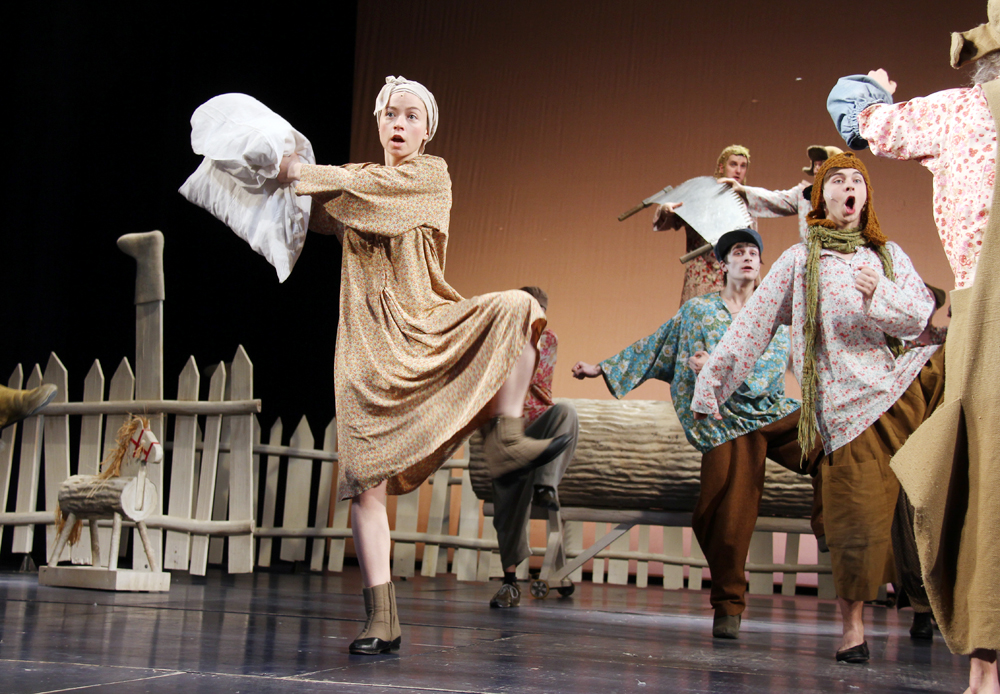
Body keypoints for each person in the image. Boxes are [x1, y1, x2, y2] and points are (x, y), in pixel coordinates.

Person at [277, 76, 570, 655]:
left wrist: (302, 172)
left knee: (521, 307)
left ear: (427, 130)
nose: (399, 123)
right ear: (379, 123)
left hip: (424, 325)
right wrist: (272, 173)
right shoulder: (354, 183)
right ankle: (381, 617)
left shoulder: (428, 175)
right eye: (391, 114)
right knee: (366, 484)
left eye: (412, 116)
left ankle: (508, 436)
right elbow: (316, 216)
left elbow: (360, 189)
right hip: (366, 345)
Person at [692, 153, 942, 663]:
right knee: (854, 518)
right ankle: (853, 630)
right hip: (846, 408)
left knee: (954, 363)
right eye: (838, 181)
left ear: (865, 196)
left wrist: (881, 295)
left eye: (857, 181)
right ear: (821, 197)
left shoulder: (887, 255)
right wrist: (710, 386)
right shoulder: (799, 262)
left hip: (898, 391)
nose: (849, 187)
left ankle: (930, 601)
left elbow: (920, 318)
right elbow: (752, 327)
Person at [827, 4, 1000, 688]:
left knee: (986, 481)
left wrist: (873, 91)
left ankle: (985, 673)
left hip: (987, 319)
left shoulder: (959, 112)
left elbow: (853, 113)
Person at [572, 229, 817, 639]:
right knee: (723, 516)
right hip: (725, 424)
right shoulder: (699, 312)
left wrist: (716, 366)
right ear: (723, 264)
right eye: (738, 252)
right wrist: (604, 368)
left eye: (753, 252)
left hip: (771, 411)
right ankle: (728, 608)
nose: (747, 257)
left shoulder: (775, 312)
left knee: (836, 444)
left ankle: (830, 525)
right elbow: (657, 345)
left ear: (761, 264)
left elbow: (792, 364)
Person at [487, 286, 579, 609]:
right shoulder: (497, 336)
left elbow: (537, 382)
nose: (536, 314)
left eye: (541, 309)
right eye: (530, 307)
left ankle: (545, 486)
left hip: (535, 424)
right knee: (507, 495)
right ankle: (510, 582)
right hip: (506, 430)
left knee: (567, 412)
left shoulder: (547, 339)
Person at [654, 146, 754, 305]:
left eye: (743, 166)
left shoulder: (745, 202)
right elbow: (669, 216)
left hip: (734, 279)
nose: (738, 171)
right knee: (697, 315)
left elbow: (752, 244)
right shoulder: (702, 194)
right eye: (733, 164)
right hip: (701, 275)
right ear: (722, 167)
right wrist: (666, 209)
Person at [726, 145, 843, 242]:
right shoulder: (804, 195)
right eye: (815, 164)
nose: (817, 169)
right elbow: (776, 199)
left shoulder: (848, 195)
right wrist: (743, 190)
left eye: (821, 164)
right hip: (811, 258)